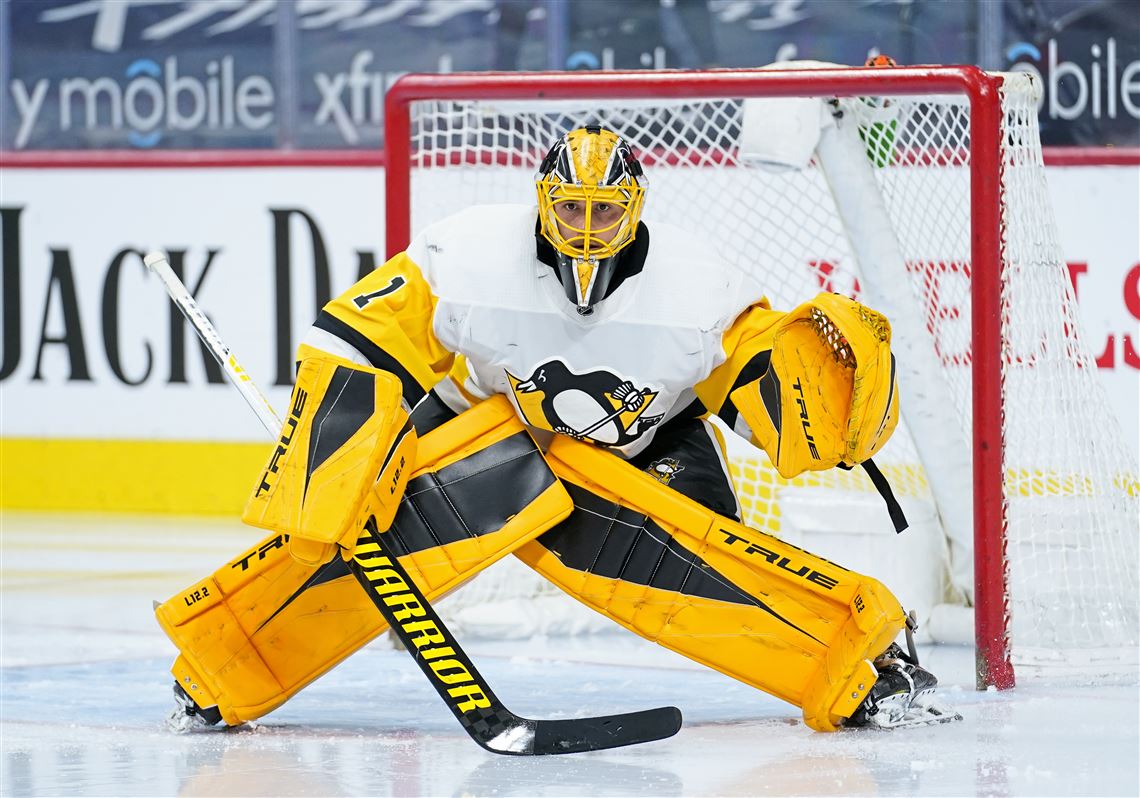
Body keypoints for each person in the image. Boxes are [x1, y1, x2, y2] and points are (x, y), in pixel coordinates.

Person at [156, 126, 958, 734]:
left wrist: (813, 412)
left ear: (633, 210)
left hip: (649, 445)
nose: (584, 226)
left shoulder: (699, 287)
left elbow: (756, 397)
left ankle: (861, 662)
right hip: (485, 420)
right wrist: (331, 456)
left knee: (695, 557)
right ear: (541, 201)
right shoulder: (468, 255)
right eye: (569, 207)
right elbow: (361, 335)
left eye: (603, 211)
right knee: (356, 526)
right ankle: (223, 663)